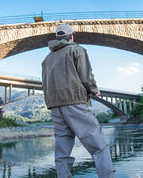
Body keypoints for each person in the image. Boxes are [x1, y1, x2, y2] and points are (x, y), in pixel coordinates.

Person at [42, 24, 116, 178]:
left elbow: (45, 84)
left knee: (62, 149)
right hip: (75, 102)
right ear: (71, 36)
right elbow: (86, 76)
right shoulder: (77, 49)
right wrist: (94, 90)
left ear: (57, 38)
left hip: (55, 107)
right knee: (98, 145)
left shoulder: (46, 59)